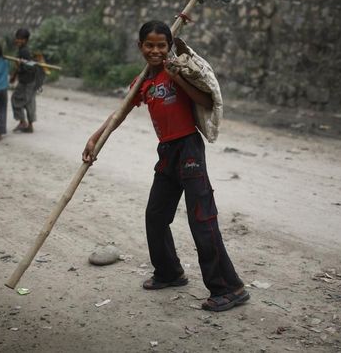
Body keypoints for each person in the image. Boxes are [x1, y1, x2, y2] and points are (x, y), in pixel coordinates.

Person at [82, 20, 249, 312]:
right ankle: (170, 272)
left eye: (161, 45)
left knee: (202, 218)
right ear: (140, 47)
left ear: (168, 46)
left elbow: (206, 100)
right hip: (168, 151)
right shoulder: (143, 81)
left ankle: (229, 287)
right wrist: (95, 139)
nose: (155, 50)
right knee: (156, 215)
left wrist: (178, 77)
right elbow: (118, 114)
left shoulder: (179, 71)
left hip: (189, 148)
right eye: (150, 45)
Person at [10, 28, 36, 133]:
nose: (18, 40)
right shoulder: (23, 50)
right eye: (17, 38)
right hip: (30, 81)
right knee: (29, 102)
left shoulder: (24, 51)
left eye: (20, 39)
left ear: (25, 40)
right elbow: (20, 65)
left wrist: (19, 67)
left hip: (27, 82)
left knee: (15, 99)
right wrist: (15, 75)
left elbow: (28, 67)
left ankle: (22, 122)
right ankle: (29, 125)